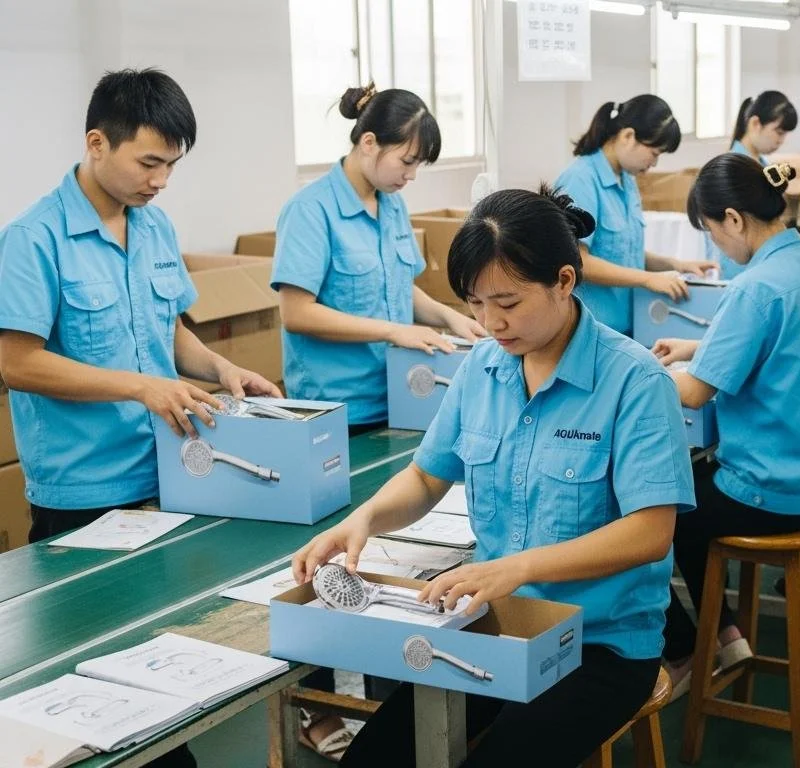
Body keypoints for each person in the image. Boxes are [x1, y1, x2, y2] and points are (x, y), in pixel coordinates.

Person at [294, 186, 694, 767]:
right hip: (495, 624)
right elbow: (428, 477)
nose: (491, 322)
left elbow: (649, 533)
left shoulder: (633, 383)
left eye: (507, 302)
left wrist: (516, 568)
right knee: (373, 760)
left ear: (564, 280)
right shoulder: (484, 366)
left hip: (598, 644)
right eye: (476, 304)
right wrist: (364, 520)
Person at [0, 68, 282, 768]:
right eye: (149, 162)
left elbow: (170, 328)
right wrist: (140, 387)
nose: (160, 181)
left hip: (168, 479)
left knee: (167, 672)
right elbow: (17, 363)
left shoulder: (153, 226)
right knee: (97, 698)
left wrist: (218, 369)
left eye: (171, 166)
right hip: (84, 504)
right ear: (97, 143)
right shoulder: (34, 240)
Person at [652, 155, 800, 695]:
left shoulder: (756, 288)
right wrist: (700, 347)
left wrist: (631, 376)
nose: (717, 246)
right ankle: (728, 636)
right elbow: (783, 345)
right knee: (690, 500)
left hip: (771, 492)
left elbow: (694, 392)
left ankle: (683, 648)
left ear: (734, 220)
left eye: (713, 232)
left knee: (648, 514)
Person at [272, 83, 486, 435]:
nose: (411, 175)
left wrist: (451, 317)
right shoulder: (310, 211)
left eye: (418, 165)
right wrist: (394, 331)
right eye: (406, 161)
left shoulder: (392, 204)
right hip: (338, 409)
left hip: (400, 393)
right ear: (368, 143)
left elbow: (401, 288)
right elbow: (296, 313)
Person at [555, 95, 714, 335]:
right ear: (628, 136)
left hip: (629, 327)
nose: (654, 163)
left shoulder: (627, 180)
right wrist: (646, 279)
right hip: (593, 329)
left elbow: (621, 251)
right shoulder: (580, 180)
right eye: (654, 153)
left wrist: (674, 264)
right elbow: (578, 262)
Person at [710, 91, 800, 279]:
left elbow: (771, 226)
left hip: (762, 264)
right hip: (742, 267)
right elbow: (756, 229)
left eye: (785, 134)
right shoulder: (735, 170)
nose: (781, 140)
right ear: (755, 124)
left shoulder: (763, 166)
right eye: (778, 132)